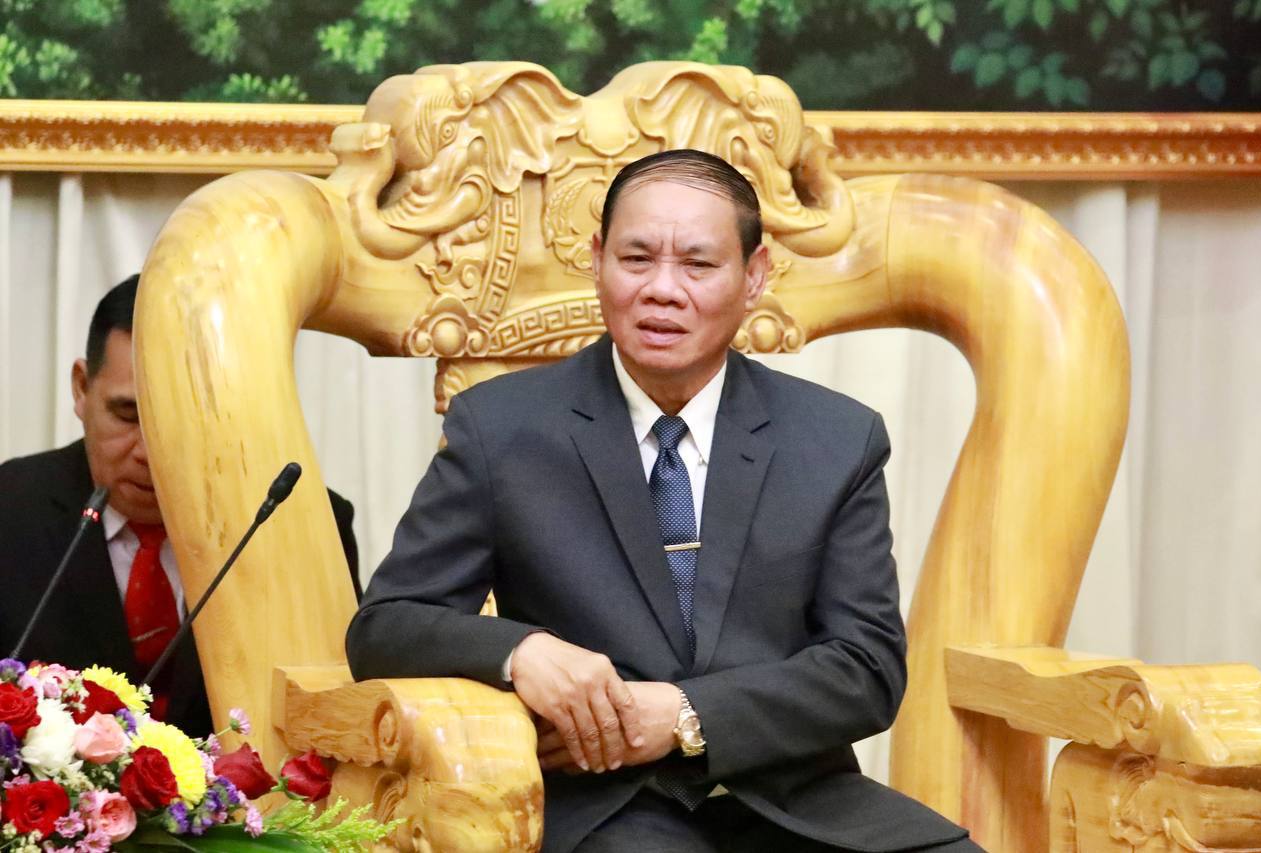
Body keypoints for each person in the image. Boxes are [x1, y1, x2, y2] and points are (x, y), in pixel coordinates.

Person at [347, 150, 977, 852]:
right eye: (636, 259)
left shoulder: (836, 439)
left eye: (698, 265)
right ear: (597, 261)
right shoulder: (501, 428)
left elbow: (867, 668)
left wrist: (684, 714)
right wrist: (521, 651)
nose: (662, 290)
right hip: (604, 806)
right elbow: (386, 626)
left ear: (754, 276)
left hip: (793, 800)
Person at [0, 275, 362, 738]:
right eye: (127, 415)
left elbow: (335, 713)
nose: (150, 452)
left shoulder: (301, 524)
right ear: (81, 388)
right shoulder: (11, 509)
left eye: (181, 418)